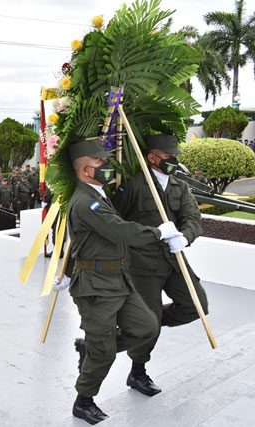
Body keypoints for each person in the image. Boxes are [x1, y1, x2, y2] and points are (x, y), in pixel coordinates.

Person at [57, 139, 181, 424]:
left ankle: (92, 348)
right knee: (103, 352)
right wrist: (159, 233)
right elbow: (120, 231)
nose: (106, 165)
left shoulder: (99, 195)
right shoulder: (86, 202)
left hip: (118, 280)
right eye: (99, 162)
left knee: (147, 327)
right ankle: (83, 401)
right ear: (85, 169)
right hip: (96, 287)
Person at [111, 134, 208, 397]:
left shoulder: (179, 186)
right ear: (152, 158)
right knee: (149, 320)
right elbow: (116, 222)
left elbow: (193, 218)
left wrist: (184, 237)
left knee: (196, 305)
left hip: (173, 260)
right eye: (168, 156)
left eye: (175, 155)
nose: (173, 160)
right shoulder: (134, 185)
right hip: (143, 264)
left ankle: (134, 330)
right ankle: (138, 372)